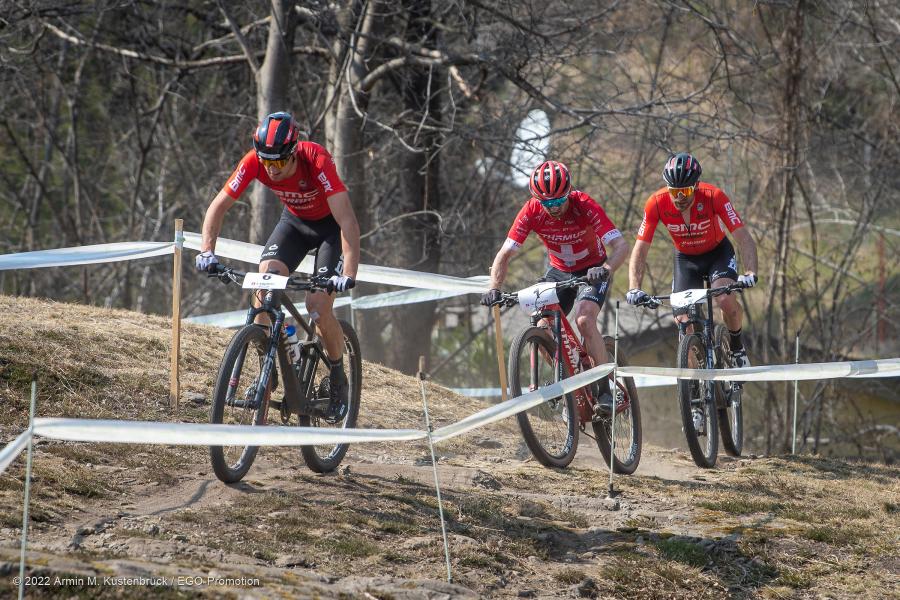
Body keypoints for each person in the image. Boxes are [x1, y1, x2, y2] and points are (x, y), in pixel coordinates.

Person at [195, 111, 360, 413]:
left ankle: (338, 377)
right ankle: (271, 367)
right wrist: (207, 251)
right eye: (267, 162)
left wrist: (348, 272)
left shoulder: (316, 159)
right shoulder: (255, 161)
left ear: (294, 152)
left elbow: (347, 219)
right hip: (294, 225)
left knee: (318, 307)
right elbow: (218, 206)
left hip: (329, 231)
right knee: (262, 291)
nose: (272, 170)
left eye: (280, 162)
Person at [481, 160, 629, 414]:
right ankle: (568, 380)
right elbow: (505, 254)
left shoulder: (584, 204)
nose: (555, 207)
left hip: (591, 270)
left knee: (584, 319)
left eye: (560, 200)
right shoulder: (531, 210)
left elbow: (621, 246)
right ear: (538, 200)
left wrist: (605, 270)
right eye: (547, 203)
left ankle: (604, 391)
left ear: (569, 191)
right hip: (558, 271)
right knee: (541, 323)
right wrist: (494, 286)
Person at [626, 152, 758, 367]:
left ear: (696, 186)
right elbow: (640, 249)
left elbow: (743, 237)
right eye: (674, 192)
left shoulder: (714, 196)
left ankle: (736, 346)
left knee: (724, 300)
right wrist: (634, 287)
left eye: (685, 191)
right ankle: (696, 373)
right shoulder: (656, 203)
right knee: (682, 319)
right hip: (686, 259)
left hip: (718, 254)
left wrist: (751, 272)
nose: (679, 198)